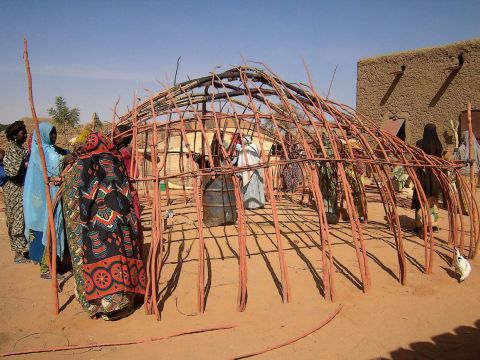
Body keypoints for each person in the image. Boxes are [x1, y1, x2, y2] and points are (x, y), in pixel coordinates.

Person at [63, 131, 145, 320]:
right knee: (119, 256)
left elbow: (72, 199)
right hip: (115, 221)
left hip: (86, 225)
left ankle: (94, 305)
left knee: (87, 258)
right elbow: (123, 192)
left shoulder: (77, 166)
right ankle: (118, 305)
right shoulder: (113, 162)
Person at [23, 123, 69, 279]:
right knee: (44, 229)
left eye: (55, 133)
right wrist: (67, 158)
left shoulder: (50, 150)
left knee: (52, 228)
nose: (54, 137)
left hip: (48, 195)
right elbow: (54, 164)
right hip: (40, 200)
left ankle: (55, 263)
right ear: (43, 135)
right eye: (51, 134)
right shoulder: (39, 152)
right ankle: (45, 269)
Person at [3, 121, 29, 264]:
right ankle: (18, 254)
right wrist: (24, 165)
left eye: (25, 132)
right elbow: (12, 173)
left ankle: (22, 250)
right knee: (16, 219)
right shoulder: (13, 150)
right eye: (22, 133)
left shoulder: (20, 148)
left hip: (21, 188)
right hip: (14, 189)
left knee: (21, 218)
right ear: (14, 135)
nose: (24, 135)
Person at [114, 124, 142, 245]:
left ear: (123, 137)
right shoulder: (123, 151)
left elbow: (133, 174)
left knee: (129, 227)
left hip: (126, 194)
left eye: (116, 134)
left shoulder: (124, 153)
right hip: (126, 193)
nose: (113, 136)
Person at [412, 123, 443, 231]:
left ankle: (419, 225)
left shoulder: (420, 143)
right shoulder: (438, 145)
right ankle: (433, 224)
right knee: (432, 199)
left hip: (422, 176)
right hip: (434, 178)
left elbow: (415, 159)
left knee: (420, 198)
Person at [454, 131, 480, 214]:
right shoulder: (477, 148)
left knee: (464, 191)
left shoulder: (462, 148)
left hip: (464, 173)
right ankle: (473, 208)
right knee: (472, 191)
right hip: (475, 173)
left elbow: (456, 160)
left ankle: (467, 209)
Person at [236, 136, 265, 209]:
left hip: (251, 171)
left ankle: (252, 205)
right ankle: (259, 203)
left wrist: (240, 149)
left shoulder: (247, 148)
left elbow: (247, 159)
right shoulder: (253, 146)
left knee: (250, 188)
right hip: (256, 171)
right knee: (256, 188)